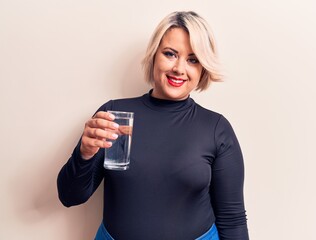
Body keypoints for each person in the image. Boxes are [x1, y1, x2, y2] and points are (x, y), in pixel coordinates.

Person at [57, 11, 249, 240]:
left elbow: (232, 219)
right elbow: (70, 197)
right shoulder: (113, 116)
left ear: (202, 69)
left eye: (193, 59)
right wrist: (84, 154)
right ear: (154, 55)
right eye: (170, 54)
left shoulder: (216, 128)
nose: (179, 68)